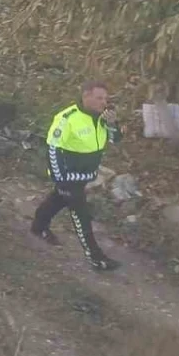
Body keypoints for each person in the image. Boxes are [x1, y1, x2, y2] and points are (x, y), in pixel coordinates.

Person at [30, 81, 123, 271]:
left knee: (57, 200)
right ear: (86, 96)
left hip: (85, 175)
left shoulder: (101, 118)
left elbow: (116, 139)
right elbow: (53, 149)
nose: (103, 102)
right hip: (67, 176)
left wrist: (112, 124)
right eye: (99, 98)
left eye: (105, 98)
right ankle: (96, 257)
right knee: (81, 214)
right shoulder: (67, 118)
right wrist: (60, 178)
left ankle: (38, 226)